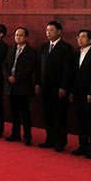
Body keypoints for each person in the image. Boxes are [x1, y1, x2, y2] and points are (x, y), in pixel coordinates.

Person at [35, 20, 74, 152]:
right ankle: (49, 139)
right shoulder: (44, 47)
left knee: (60, 115)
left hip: (58, 88)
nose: (48, 33)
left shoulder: (66, 48)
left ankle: (60, 142)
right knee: (48, 114)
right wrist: (37, 83)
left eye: (51, 30)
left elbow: (67, 70)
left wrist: (64, 87)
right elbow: (38, 67)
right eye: (47, 30)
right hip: (45, 87)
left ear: (59, 31)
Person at [70, 29, 91, 158]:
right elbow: (73, 74)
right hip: (78, 93)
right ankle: (82, 145)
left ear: (90, 40)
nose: (80, 39)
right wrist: (72, 91)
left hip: (90, 93)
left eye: (83, 37)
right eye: (79, 37)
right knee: (80, 120)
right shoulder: (77, 54)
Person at [3, 27, 37, 145]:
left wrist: (16, 77)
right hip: (11, 86)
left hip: (23, 86)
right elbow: (5, 66)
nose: (18, 37)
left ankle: (27, 136)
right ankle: (15, 134)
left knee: (25, 112)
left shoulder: (31, 51)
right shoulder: (11, 50)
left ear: (26, 37)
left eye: (21, 35)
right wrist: (8, 77)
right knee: (14, 112)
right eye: (16, 35)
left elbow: (29, 69)